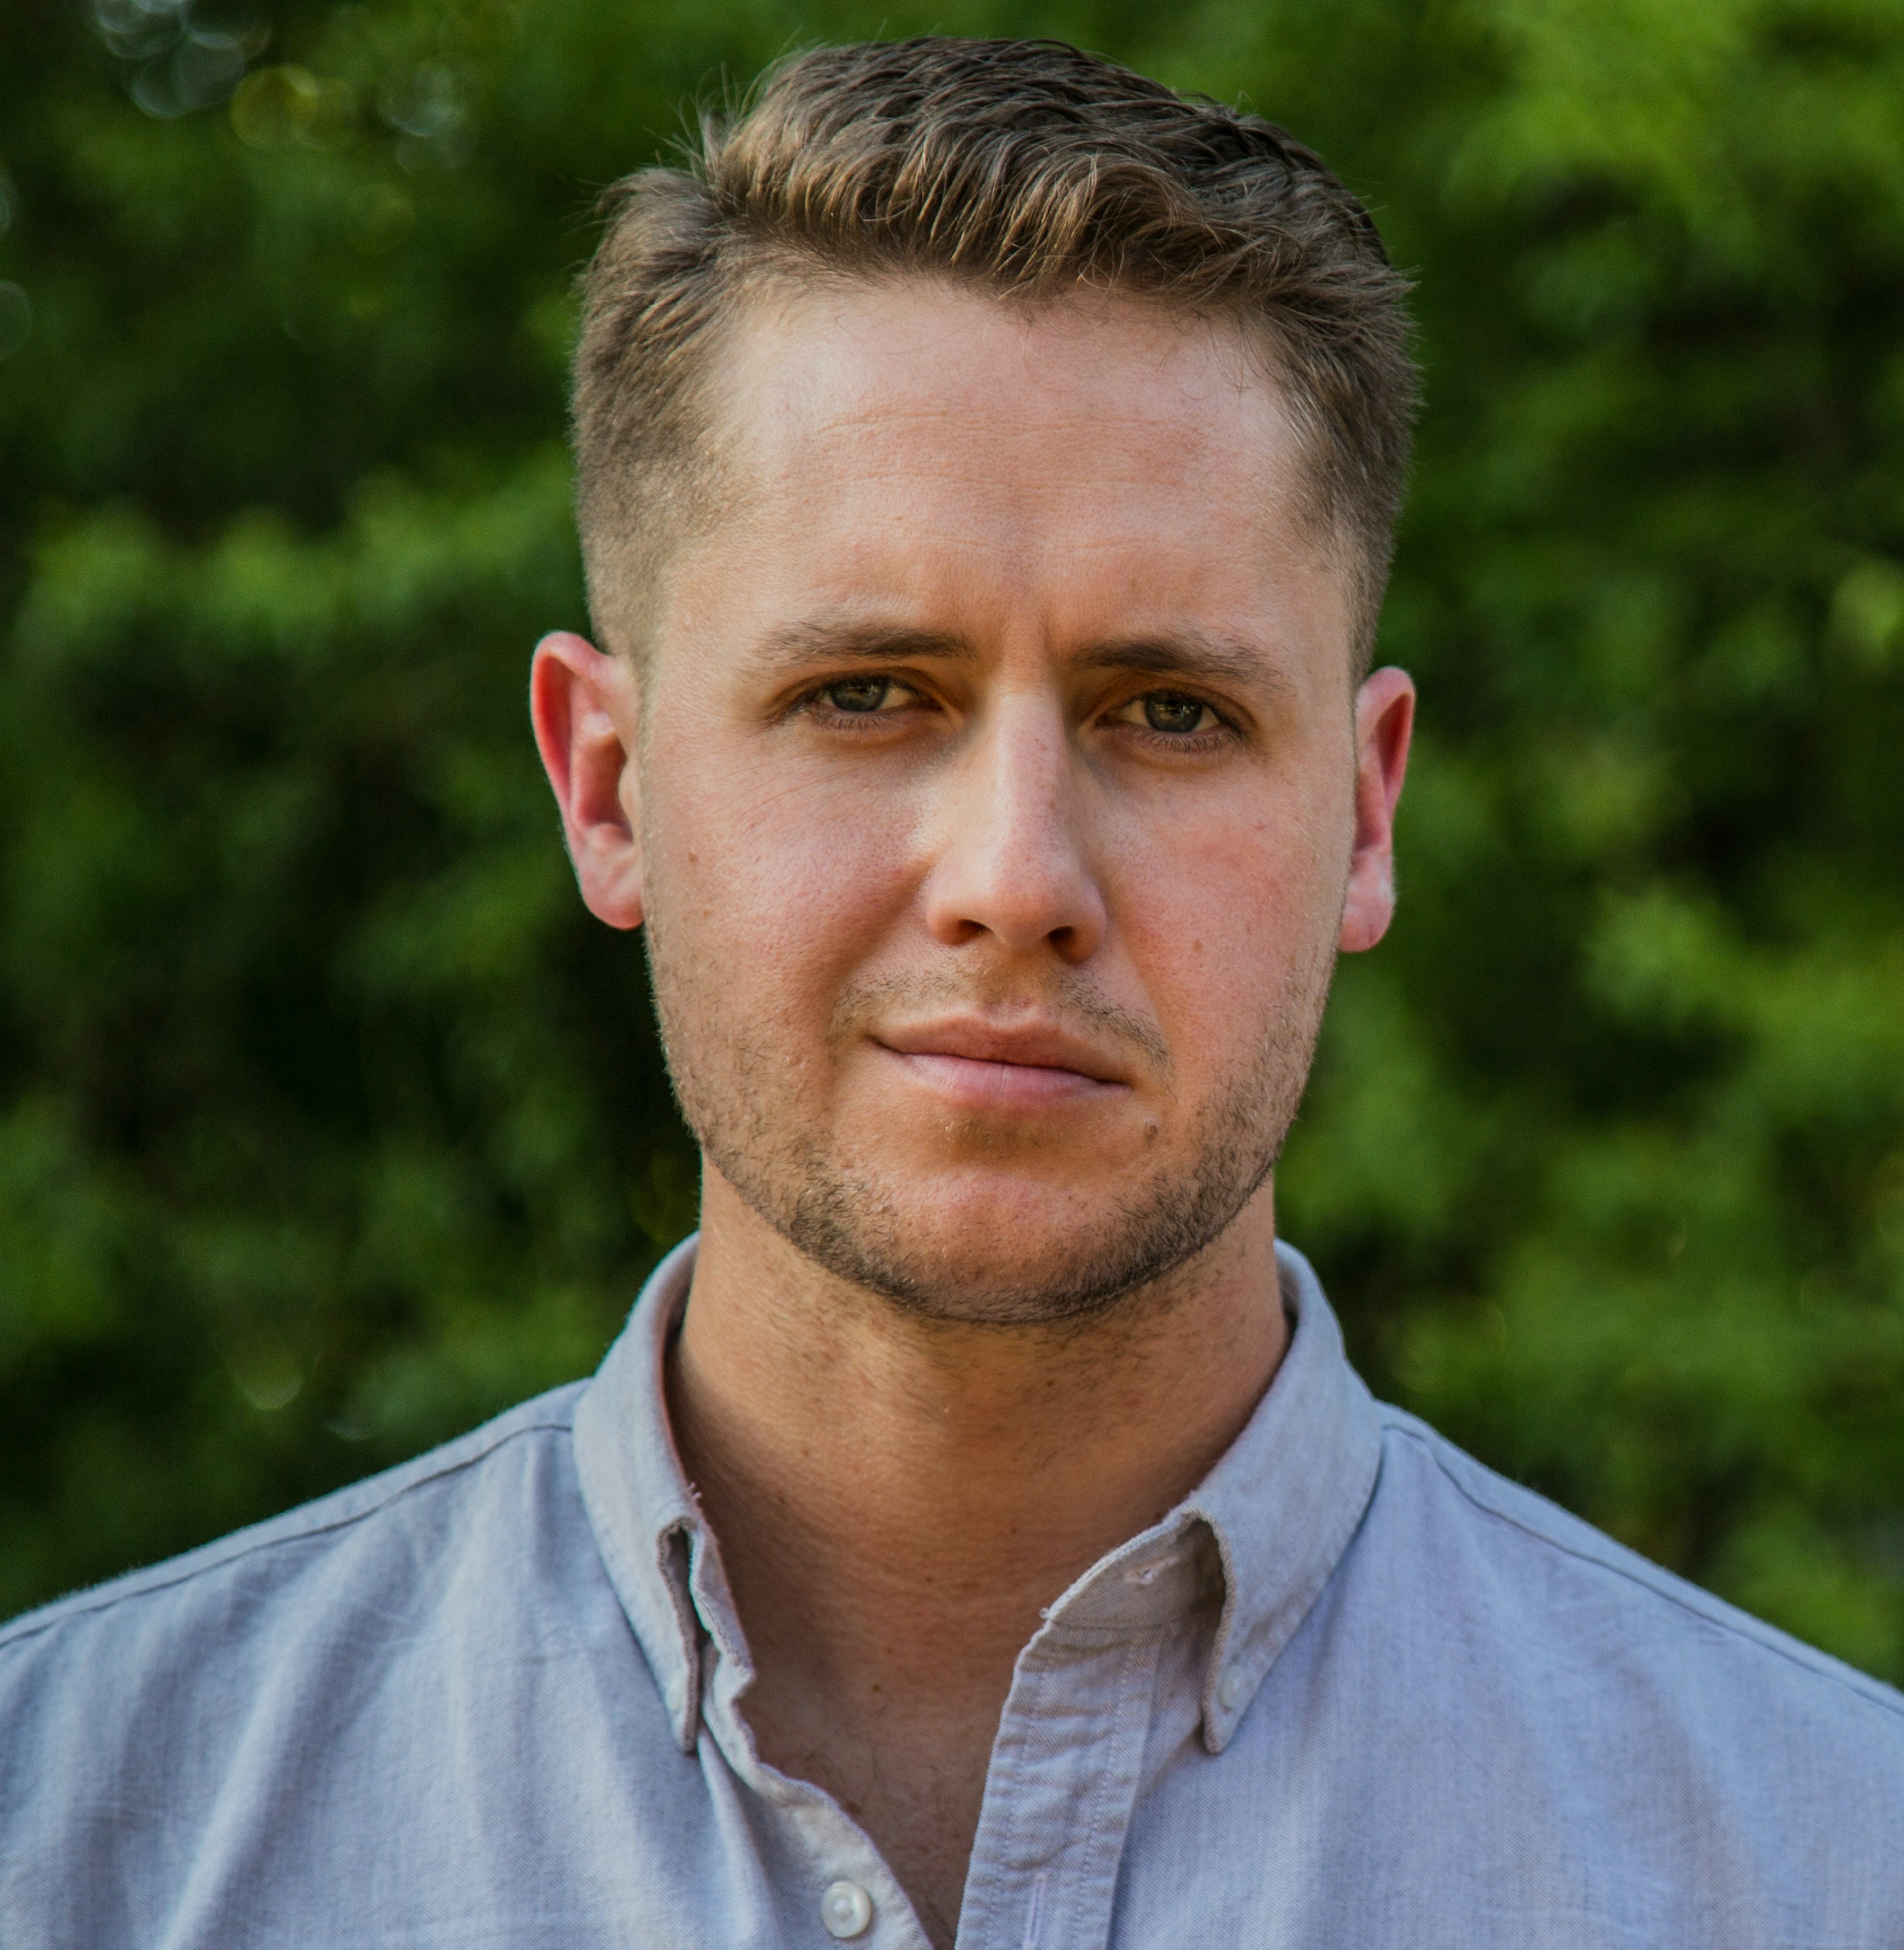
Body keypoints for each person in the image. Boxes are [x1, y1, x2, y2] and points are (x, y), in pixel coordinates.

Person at [3, 35, 1901, 1950]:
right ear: (607, 784)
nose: (1016, 881)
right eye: (865, 695)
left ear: (1363, 811)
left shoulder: (1829, 1864)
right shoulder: (74, 1841)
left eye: (1171, 712)